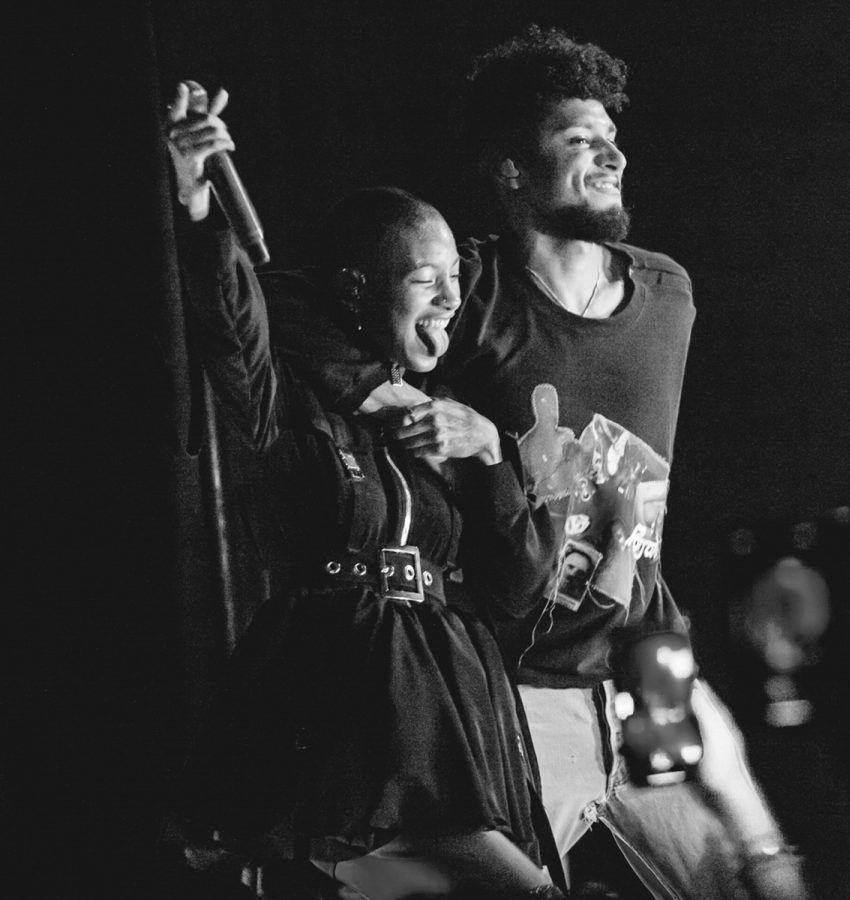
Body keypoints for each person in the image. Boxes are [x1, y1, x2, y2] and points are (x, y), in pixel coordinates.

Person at [273, 25, 813, 900]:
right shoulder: (468, 292)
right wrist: (391, 397)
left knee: (746, 879)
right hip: (523, 681)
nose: (612, 156)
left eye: (612, 138)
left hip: (646, 657)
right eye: (578, 141)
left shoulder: (667, 294)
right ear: (511, 171)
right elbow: (286, 306)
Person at [164, 81, 565, 900]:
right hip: (351, 693)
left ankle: (346, 872)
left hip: (451, 691)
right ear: (357, 289)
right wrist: (198, 203)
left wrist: (491, 456)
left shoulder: (449, 423)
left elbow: (522, 588)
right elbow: (245, 311)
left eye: (456, 277)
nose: (451, 298)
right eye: (425, 278)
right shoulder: (291, 397)